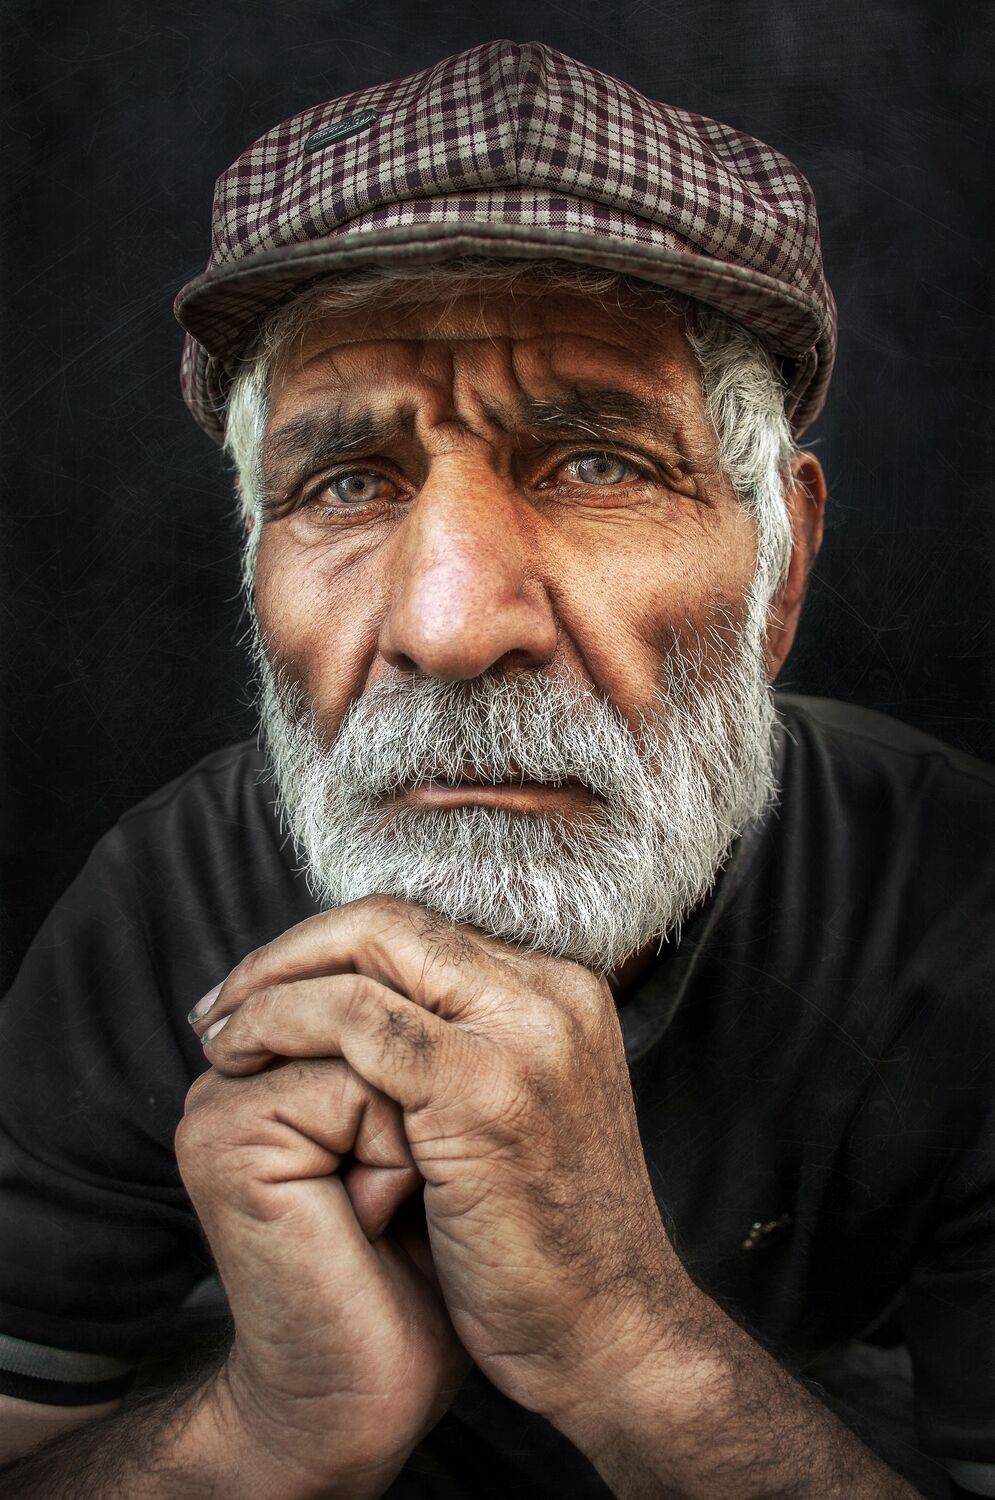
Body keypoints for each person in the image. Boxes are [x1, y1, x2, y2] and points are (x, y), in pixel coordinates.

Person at [0, 37, 991, 1500]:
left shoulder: (960, 903)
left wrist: (631, 1345)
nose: (451, 624)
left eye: (593, 462)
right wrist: (275, 1431)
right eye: (346, 484)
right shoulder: (162, 900)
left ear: (782, 572)